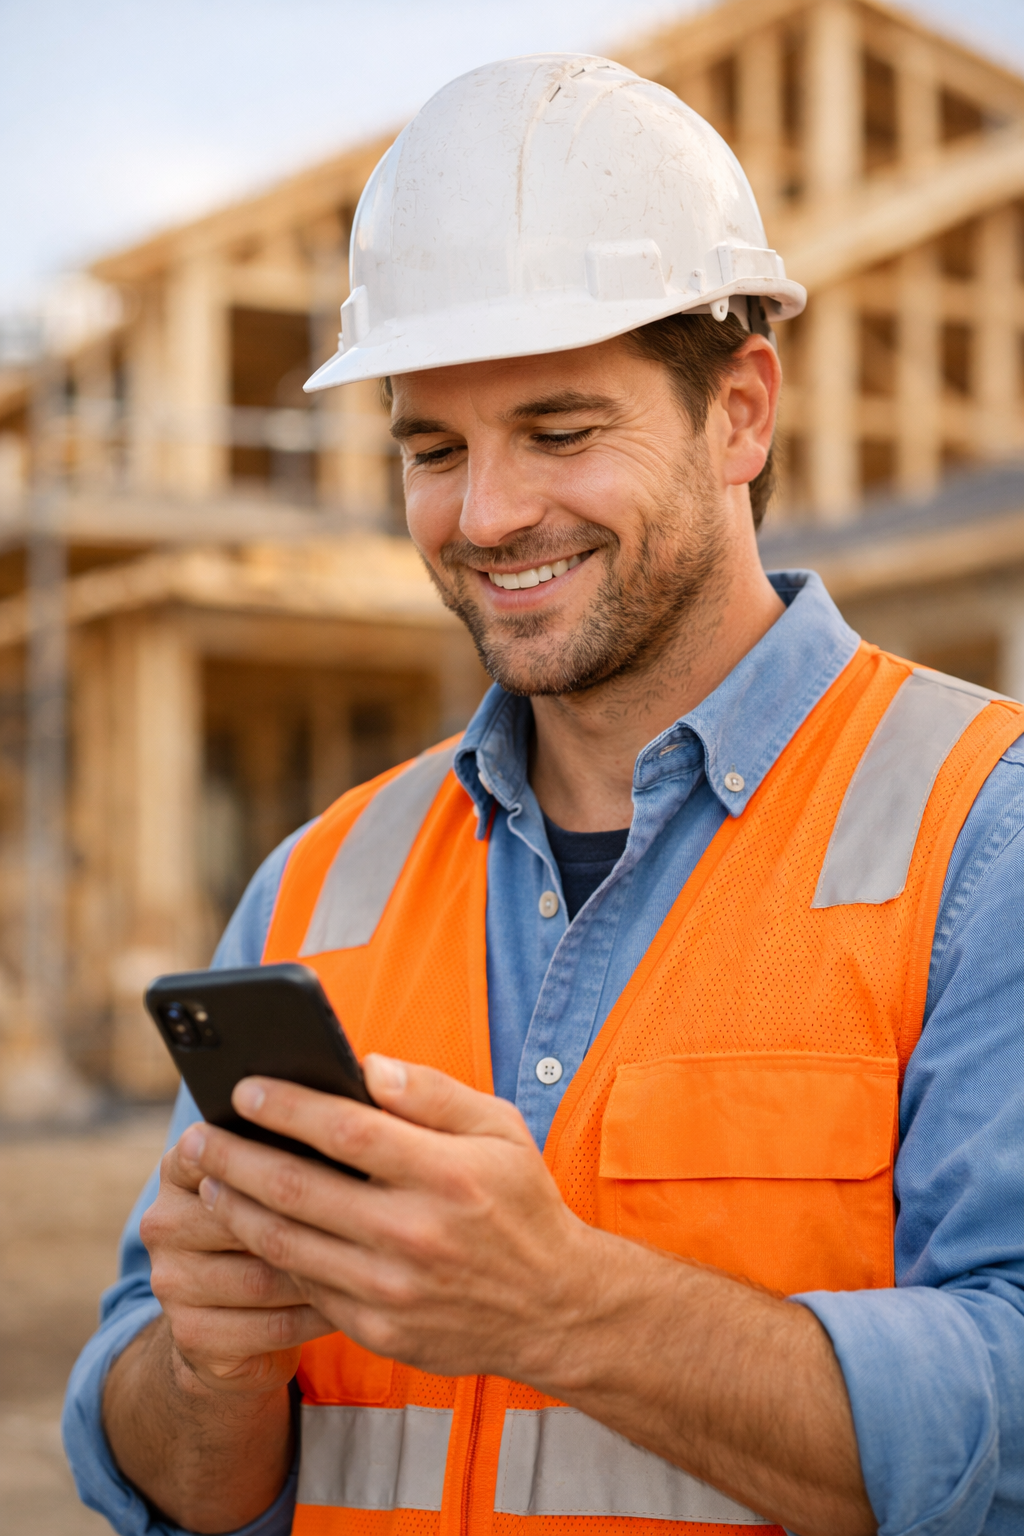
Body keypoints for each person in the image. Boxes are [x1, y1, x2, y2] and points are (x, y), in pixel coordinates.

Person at [64, 55, 1023, 1536]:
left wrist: (563, 1308)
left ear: (741, 415)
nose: (489, 515)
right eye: (433, 450)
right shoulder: (319, 880)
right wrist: (209, 1369)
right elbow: (162, 1475)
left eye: (562, 432)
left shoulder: (984, 832)